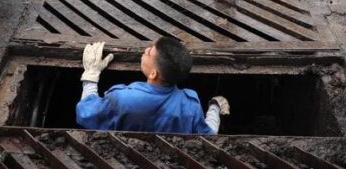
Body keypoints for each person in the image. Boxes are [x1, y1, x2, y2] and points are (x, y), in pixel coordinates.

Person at [76, 39, 230, 134]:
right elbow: (208, 134)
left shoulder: (122, 98)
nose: (145, 50)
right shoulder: (190, 105)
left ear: (153, 74)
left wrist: (91, 75)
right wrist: (215, 107)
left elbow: (85, 114)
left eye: (149, 53)